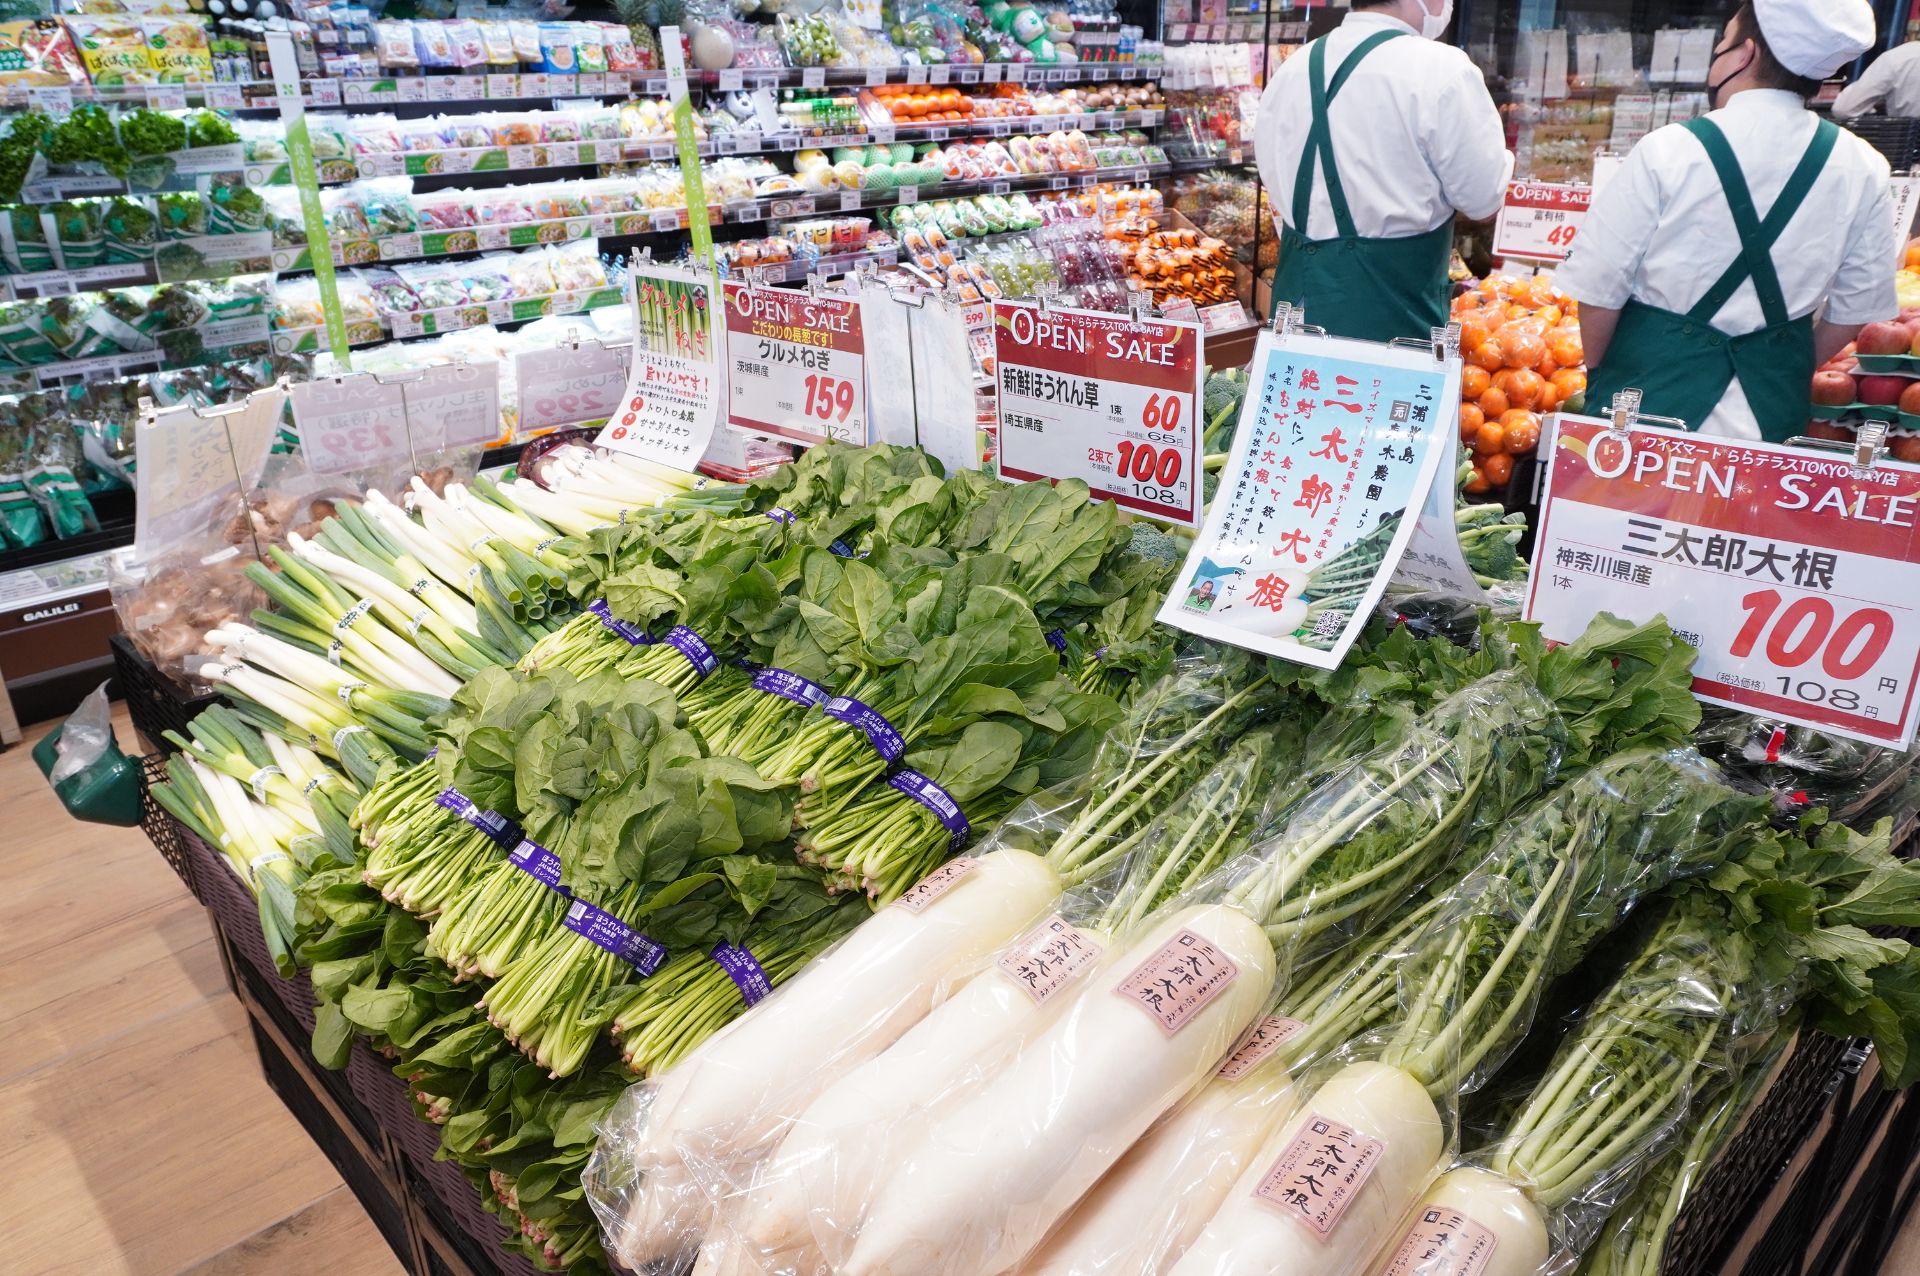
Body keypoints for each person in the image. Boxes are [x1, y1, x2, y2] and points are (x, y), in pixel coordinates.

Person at [1555, 0, 1894, 442]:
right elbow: (1855, 311)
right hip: (1771, 418)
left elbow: (1598, 288)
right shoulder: (1863, 166)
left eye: (1724, 39)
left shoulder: (1669, 149)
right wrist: (1772, 365)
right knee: (1743, 512)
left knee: (1629, 510)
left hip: (1644, 408)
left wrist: (1607, 372)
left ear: (1744, 54)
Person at [1254, 0, 1510, 344]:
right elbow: (1484, 200)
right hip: (1393, 317)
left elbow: (1268, 171)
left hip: (1294, 308)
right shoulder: (1441, 69)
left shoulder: (1294, 66)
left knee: (1299, 394)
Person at [1832, 38, 1920, 119]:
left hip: (1904, 134)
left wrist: (1873, 108)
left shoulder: (1901, 56)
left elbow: (1844, 109)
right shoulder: (1904, 57)